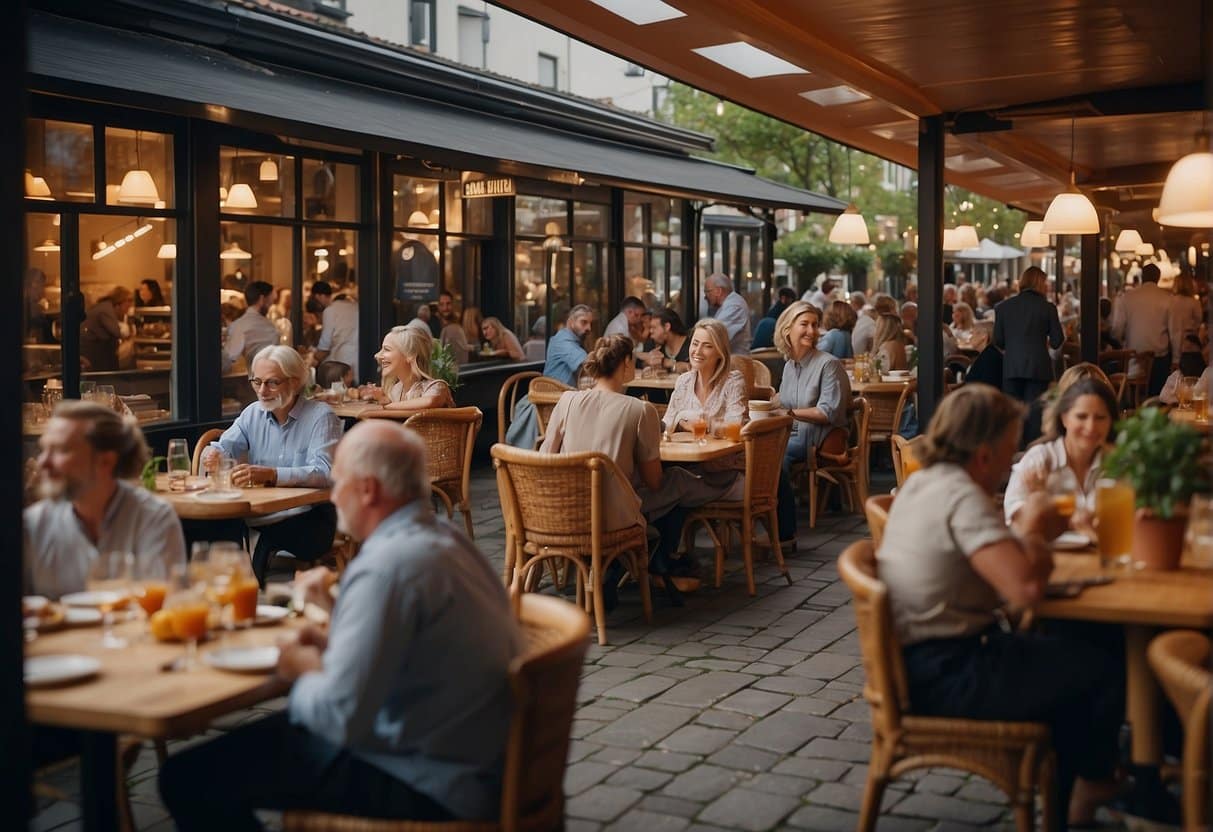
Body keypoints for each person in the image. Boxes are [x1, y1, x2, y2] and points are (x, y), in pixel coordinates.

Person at [161, 420, 522, 829]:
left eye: (338, 483)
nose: (333, 495)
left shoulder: (388, 567)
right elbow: (405, 643)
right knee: (248, 750)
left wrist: (298, 668)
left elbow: (337, 718)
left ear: (367, 490)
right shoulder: (445, 539)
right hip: (469, 752)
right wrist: (337, 617)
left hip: (424, 777)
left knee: (189, 777)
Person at [878, 385, 1122, 830]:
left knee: (1071, 643)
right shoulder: (961, 497)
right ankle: (1093, 784)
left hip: (928, 660)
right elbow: (1025, 590)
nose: (1015, 457)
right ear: (985, 451)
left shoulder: (929, 481)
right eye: (1011, 443)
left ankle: (1071, 803)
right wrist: (1033, 528)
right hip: (947, 673)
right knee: (1101, 665)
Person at [540, 335, 719, 607]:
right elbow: (654, 481)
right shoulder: (640, 410)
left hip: (566, 510)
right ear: (626, 363)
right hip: (613, 516)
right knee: (678, 483)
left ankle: (637, 564)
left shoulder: (566, 401)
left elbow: (545, 460)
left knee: (666, 488)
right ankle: (654, 561)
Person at [200, 345, 343, 583]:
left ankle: (246, 589)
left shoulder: (321, 416)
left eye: (272, 382)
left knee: (227, 529)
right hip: (260, 512)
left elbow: (325, 472)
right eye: (257, 382)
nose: (262, 391)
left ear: (295, 382)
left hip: (310, 518)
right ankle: (228, 591)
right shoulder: (252, 414)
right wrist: (212, 454)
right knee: (201, 526)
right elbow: (223, 447)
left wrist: (272, 474)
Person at [24, 400, 186, 599]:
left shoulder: (153, 519)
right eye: (44, 449)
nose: (43, 462)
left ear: (106, 461)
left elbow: (161, 609)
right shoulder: (33, 525)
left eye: (61, 450)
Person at [773, 301, 851, 544]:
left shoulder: (828, 364)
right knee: (749, 453)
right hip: (790, 434)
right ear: (788, 329)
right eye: (804, 324)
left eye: (815, 325)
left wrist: (789, 413)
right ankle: (761, 518)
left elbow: (829, 412)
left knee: (774, 458)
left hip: (816, 439)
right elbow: (784, 402)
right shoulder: (788, 366)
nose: (812, 330)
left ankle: (785, 534)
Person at [1004, 376, 1118, 529]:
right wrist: (1039, 498)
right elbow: (1015, 522)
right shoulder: (1040, 459)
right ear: (1064, 418)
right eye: (1081, 416)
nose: (1091, 427)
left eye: (1100, 418)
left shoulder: (1115, 463)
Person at [505, 306, 594, 449]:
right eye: (584, 322)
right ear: (571, 322)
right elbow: (588, 364)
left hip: (563, 399)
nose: (589, 327)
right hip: (549, 403)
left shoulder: (572, 341)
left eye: (590, 323)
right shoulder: (563, 341)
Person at [664, 319, 746, 437]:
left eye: (707, 346)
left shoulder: (733, 381)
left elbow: (736, 427)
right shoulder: (683, 381)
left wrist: (700, 423)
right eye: (695, 344)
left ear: (720, 352)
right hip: (687, 452)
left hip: (723, 453)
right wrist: (682, 421)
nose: (697, 351)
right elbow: (667, 424)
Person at [994, 266, 1064, 404]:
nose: (1047, 287)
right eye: (1045, 283)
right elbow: (1057, 340)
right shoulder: (1048, 308)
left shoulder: (1003, 307)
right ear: (1039, 283)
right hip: (1039, 369)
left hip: (1011, 368)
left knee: (1013, 414)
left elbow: (998, 340)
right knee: (1035, 414)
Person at [1110, 263, 1174, 396]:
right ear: (1158, 278)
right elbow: (1173, 331)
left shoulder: (1126, 297)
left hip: (1132, 358)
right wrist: (1176, 359)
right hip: (1159, 359)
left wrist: (1120, 342)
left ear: (1142, 277)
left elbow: (1117, 330)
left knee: (1133, 396)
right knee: (1157, 398)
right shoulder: (1168, 298)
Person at [364, 325, 454, 411]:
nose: (377, 355)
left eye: (387, 349)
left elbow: (430, 401)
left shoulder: (436, 387)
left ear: (410, 355)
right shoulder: (396, 390)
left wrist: (389, 405)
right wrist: (383, 399)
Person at [223, 281, 279, 374]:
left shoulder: (237, 325)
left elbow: (228, 357)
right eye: (270, 302)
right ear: (262, 299)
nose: (270, 306)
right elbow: (229, 359)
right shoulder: (269, 327)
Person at [312, 280, 360, 380]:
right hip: (360, 360)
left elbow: (326, 343)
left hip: (341, 363)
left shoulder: (330, 310)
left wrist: (313, 358)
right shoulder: (355, 306)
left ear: (319, 296)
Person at [80, 286, 134, 372]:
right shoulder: (106, 310)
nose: (130, 305)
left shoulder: (104, 306)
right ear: (120, 301)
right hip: (92, 352)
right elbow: (116, 332)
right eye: (129, 300)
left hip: (92, 349)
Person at [704, 272, 752, 355]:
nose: (705, 296)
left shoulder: (735, 306)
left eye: (707, 291)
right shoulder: (728, 304)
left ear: (718, 291)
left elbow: (715, 336)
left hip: (735, 363)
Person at [1170, 273, 1205, 377]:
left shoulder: (1170, 301)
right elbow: (1199, 321)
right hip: (1190, 342)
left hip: (1173, 340)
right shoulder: (1194, 302)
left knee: (1175, 373)